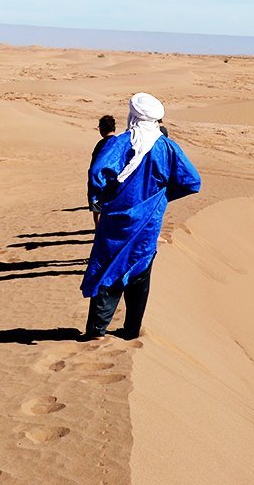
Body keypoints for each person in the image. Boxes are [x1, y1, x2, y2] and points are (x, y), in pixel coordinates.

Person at [81, 93, 201, 341]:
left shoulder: (121, 143)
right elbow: (191, 181)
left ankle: (96, 331)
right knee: (140, 272)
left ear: (133, 116)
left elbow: (97, 174)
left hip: (115, 221)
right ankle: (131, 331)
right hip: (148, 223)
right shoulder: (168, 147)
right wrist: (160, 197)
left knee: (107, 268)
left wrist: (102, 200)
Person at [88, 115, 116, 226]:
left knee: (98, 212)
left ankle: (99, 233)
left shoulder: (101, 144)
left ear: (102, 129)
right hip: (117, 183)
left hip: (100, 183)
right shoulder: (121, 142)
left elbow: (95, 167)